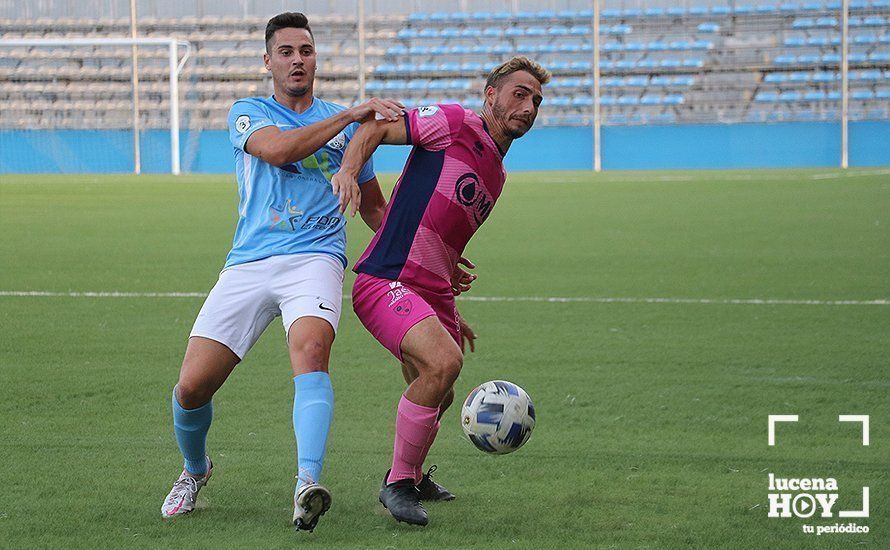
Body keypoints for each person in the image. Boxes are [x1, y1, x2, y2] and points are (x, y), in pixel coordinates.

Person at [160, 12, 404, 532]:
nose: (298, 60)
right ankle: (194, 470)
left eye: (306, 51)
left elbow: (376, 210)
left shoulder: (347, 128)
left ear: (316, 58)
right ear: (268, 61)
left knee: (312, 350)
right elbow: (279, 149)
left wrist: (423, 258)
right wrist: (355, 116)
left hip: (316, 257)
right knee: (190, 389)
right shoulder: (249, 113)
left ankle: (306, 484)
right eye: (287, 52)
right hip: (249, 261)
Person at [330, 56, 550, 526]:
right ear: (491, 95)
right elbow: (372, 127)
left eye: (536, 100)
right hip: (386, 278)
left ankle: (407, 472)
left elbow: (440, 226)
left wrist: (450, 271)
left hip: (433, 290)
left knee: (442, 389)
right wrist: (350, 169)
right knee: (444, 363)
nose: (528, 107)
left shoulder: (497, 174)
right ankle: (399, 483)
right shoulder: (453, 123)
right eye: (519, 94)